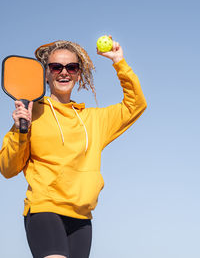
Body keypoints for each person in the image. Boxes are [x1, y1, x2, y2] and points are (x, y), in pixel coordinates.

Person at [0, 37, 147, 258]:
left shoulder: (94, 120)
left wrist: (119, 62)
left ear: (79, 74)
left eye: (72, 67)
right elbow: (8, 169)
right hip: (44, 209)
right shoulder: (32, 114)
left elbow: (136, 104)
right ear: (46, 74)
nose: (64, 72)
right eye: (56, 67)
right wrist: (21, 131)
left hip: (82, 219)